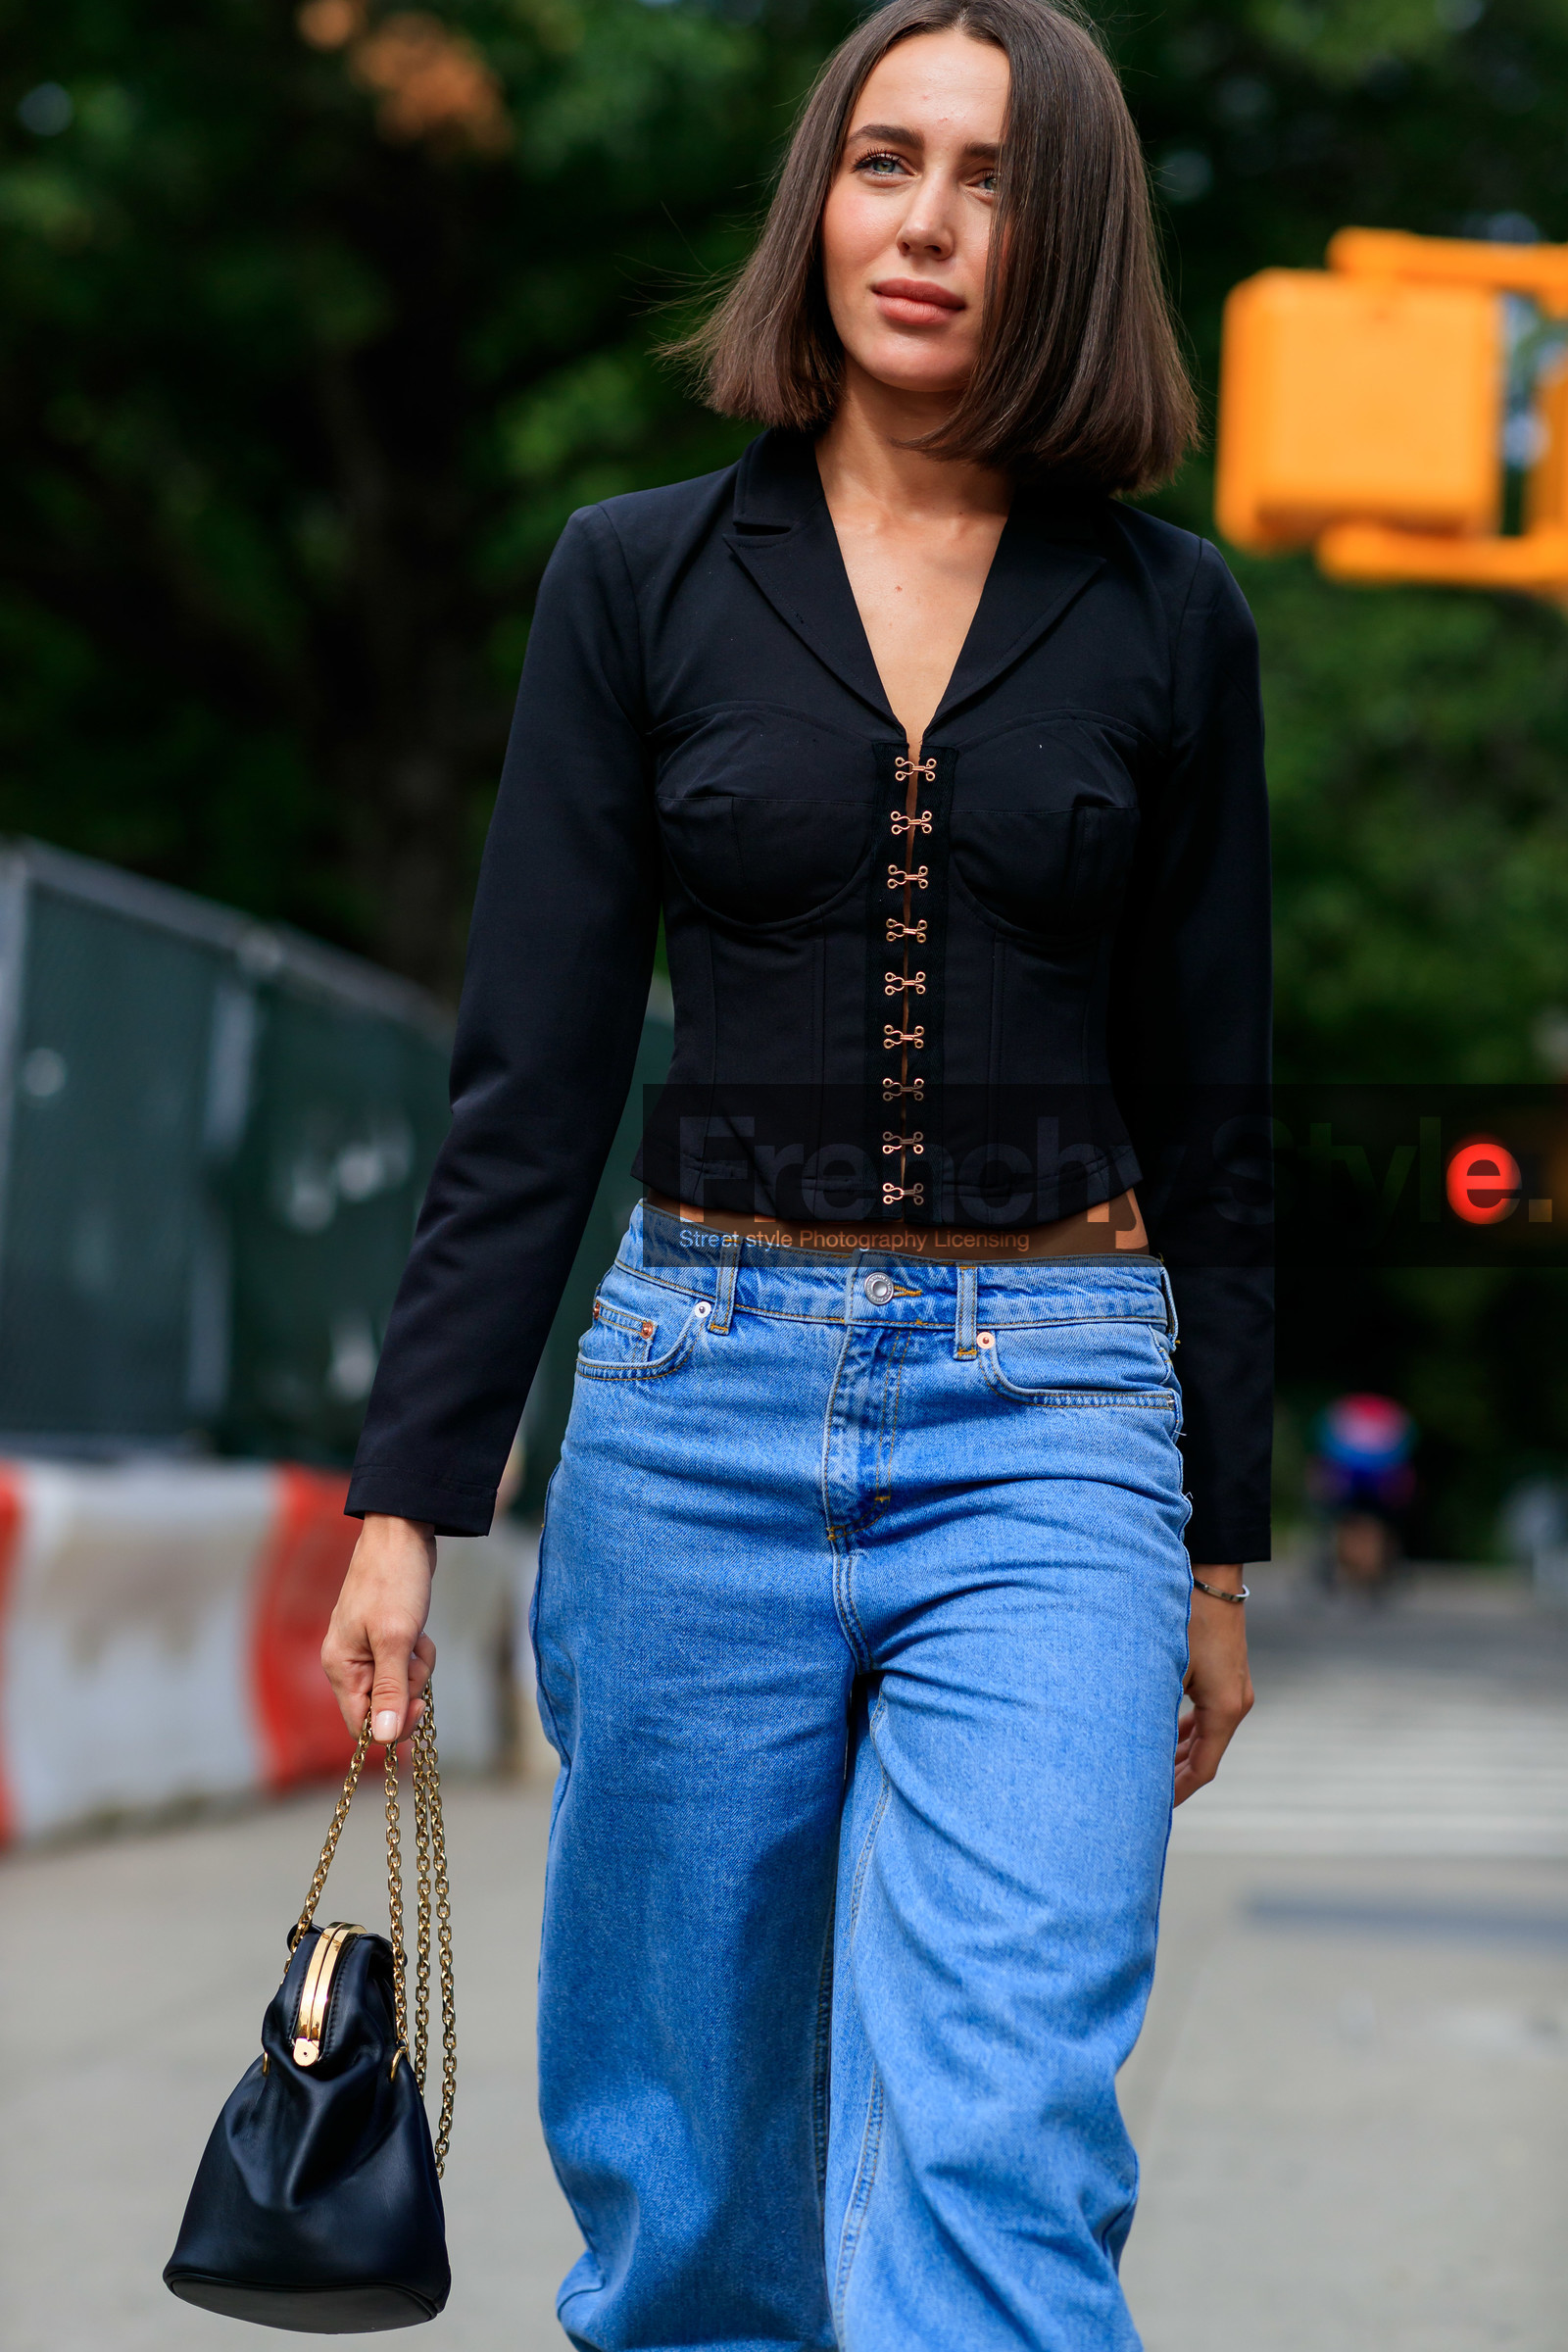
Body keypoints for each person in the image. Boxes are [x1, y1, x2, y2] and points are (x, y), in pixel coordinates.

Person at [323, 1, 1271, 2343]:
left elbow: (1214, 1105)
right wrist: (403, 1495)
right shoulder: (632, 580)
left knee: (998, 2140)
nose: (926, 223)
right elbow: (526, 1083)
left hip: (1052, 1420)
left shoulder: (1169, 620)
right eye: (882, 161)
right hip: (689, 1409)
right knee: (692, 2192)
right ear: (813, 205)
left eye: (989, 177)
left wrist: (1217, 1546)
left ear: (1069, 242)